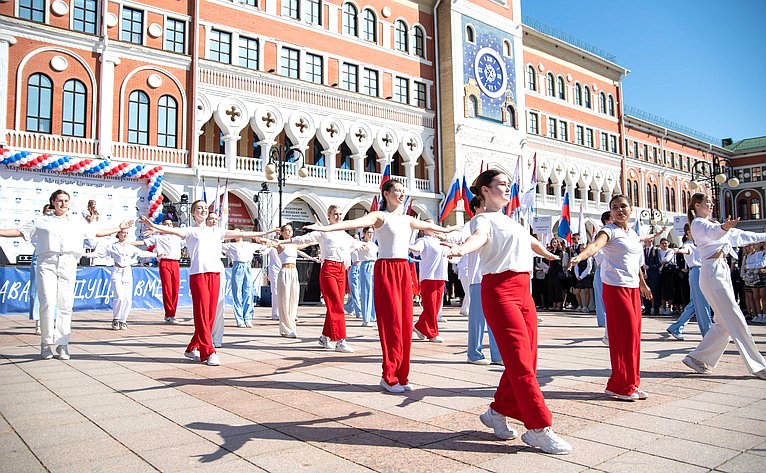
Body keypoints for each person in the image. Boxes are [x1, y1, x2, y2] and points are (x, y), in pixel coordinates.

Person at [444, 170, 571, 454]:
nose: (507, 187)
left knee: (527, 360)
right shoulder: (483, 219)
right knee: (520, 362)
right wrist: (461, 250)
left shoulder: (511, 220)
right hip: (500, 291)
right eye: (501, 184)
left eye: (507, 184)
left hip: (523, 291)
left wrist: (548, 254)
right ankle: (538, 428)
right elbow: (477, 238)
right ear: (485, 191)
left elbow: (529, 242)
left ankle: (496, 412)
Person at [303, 180, 456, 394]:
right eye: (397, 191)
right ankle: (389, 376)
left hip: (404, 270)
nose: (401, 194)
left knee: (404, 324)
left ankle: (402, 376)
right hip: (387, 269)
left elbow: (429, 226)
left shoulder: (407, 219)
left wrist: (449, 229)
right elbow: (353, 222)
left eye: (403, 191)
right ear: (386, 193)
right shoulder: (379, 216)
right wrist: (327, 228)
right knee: (391, 323)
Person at [0, 189, 132, 360]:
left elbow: (97, 233)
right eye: (60, 200)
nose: (63, 204)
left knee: (66, 304)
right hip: (47, 262)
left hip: (68, 262)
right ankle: (45, 343)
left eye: (66, 201)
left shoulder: (76, 222)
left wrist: (119, 227)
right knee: (47, 302)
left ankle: (63, 344)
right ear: (53, 202)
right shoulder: (41, 220)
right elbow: (19, 232)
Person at [139, 203, 271, 366]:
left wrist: (266, 232)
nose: (202, 210)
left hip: (215, 274)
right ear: (193, 213)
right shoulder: (189, 230)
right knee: (201, 315)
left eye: (204, 208)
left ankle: (191, 348)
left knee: (209, 317)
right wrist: (152, 225)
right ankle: (209, 352)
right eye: (199, 208)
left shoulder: (217, 231)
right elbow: (170, 230)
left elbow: (242, 232)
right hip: (199, 274)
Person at [569, 195, 653, 402]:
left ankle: (630, 382)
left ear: (631, 209)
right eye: (615, 208)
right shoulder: (609, 231)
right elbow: (595, 246)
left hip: (632, 288)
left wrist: (642, 284)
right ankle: (620, 385)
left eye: (623, 206)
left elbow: (634, 263)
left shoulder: (632, 233)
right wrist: (580, 256)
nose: (619, 210)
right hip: (615, 288)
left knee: (633, 337)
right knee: (622, 337)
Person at [681, 193, 766, 380]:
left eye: (711, 202)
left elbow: (742, 236)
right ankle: (758, 365)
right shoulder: (698, 224)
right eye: (707, 202)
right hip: (712, 272)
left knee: (723, 324)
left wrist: (763, 235)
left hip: (720, 270)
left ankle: (697, 358)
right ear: (697, 205)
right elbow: (714, 233)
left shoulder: (712, 224)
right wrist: (723, 227)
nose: (711, 204)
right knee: (735, 317)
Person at [287, 206, 365, 353]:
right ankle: (341, 340)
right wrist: (283, 242)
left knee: (336, 305)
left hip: (342, 270)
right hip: (329, 268)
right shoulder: (324, 232)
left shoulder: (344, 235)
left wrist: (365, 246)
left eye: (340, 214)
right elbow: (305, 239)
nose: (339, 216)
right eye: (335, 214)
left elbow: (357, 244)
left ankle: (324, 337)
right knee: (336, 305)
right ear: (329, 216)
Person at [84, 229, 155, 330]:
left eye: (126, 233)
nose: (124, 235)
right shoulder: (112, 246)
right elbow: (99, 254)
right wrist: (85, 254)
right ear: (118, 234)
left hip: (127, 271)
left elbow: (142, 253)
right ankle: (116, 319)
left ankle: (123, 320)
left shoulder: (130, 247)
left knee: (128, 299)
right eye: (122, 233)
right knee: (119, 296)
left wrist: (156, 255)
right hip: (117, 271)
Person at [461, 196, 501, 366]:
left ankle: (498, 354)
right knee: (477, 319)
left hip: (492, 275)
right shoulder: (471, 225)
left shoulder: (492, 224)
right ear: (476, 208)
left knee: (496, 318)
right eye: (485, 205)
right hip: (477, 278)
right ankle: (474, 353)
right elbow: (461, 238)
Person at [133, 219, 184, 324]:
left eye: (170, 224)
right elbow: (143, 242)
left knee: (175, 289)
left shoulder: (177, 237)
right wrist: (126, 243)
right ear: (162, 226)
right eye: (166, 224)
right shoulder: (158, 238)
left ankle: (172, 313)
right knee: (167, 289)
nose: (168, 226)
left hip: (175, 263)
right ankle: (169, 314)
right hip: (165, 262)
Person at [666, 227, 712, 340]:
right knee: (703, 303)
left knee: (695, 304)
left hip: (701, 271)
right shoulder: (688, 244)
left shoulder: (698, 244)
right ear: (688, 233)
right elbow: (685, 250)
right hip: (697, 271)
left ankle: (677, 327)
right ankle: (708, 333)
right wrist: (677, 250)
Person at [410, 219, 451, 343]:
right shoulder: (422, 241)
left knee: (436, 307)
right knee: (431, 307)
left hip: (441, 276)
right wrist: (402, 243)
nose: (432, 227)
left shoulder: (440, 242)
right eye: (428, 225)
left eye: (433, 225)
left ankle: (419, 327)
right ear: (422, 228)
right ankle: (432, 333)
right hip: (429, 277)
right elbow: (416, 250)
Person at [222, 228, 268, 328]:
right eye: (235, 232)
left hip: (247, 266)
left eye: (240, 232)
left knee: (248, 292)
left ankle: (248, 318)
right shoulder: (230, 246)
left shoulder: (249, 245)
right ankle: (239, 319)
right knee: (237, 293)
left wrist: (263, 244)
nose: (238, 234)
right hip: (237, 266)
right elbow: (217, 245)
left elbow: (265, 247)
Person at [29, 203, 55, 335]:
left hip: (54, 258)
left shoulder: (58, 224)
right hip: (40, 256)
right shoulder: (38, 223)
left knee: (53, 292)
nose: (50, 212)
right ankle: (38, 321)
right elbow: (32, 239)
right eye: (47, 210)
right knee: (37, 289)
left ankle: (51, 320)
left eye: (52, 210)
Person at [357, 227, 378, 327]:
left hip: (374, 265)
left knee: (373, 292)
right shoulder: (361, 243)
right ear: (364, 233)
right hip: (366, 265)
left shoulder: (373, 244)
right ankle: (366, 318)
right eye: (369, 232)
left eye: (372, 233)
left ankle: (372, 316)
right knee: (366, 292)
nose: (370, 234)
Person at [344, 246, 363, 319]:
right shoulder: (351, 249)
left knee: (359, 292)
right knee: (355, 292)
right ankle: (359, 312)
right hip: (354, 268)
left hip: (361, 267)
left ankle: (348, 308)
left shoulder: (362, 247)